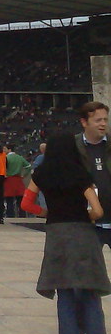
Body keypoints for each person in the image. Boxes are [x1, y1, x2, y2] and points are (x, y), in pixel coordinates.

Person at [22, 133, 111, 334]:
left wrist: (47, 213)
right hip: (82, 235)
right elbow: (98, 210)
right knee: (89, 295)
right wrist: (87, 215)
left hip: (57, 237)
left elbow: (26, 203)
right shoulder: (80, 173)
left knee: (65, 297)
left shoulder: (41, 173)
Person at [75, 101, 111, 251]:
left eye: (105, 120)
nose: (103, 124)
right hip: (88, 222)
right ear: (84, 122)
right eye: (98, 120)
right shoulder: (72, 145)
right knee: (88, 270)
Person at [4, 144, 28, 218]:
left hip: (9, 179)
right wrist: (24, 174)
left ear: (9, 149)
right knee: (20, 199)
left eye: (5, 149)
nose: (4, 151)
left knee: (9, 200)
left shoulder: (6, 158)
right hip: (18, 179)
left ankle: (10, 215)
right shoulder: (20, 158)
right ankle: (22, 215)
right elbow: (28, 166)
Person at [33, 141, 47, 212]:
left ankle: (44, 211)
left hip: (42, 179)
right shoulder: (53, 157)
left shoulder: (40, 157)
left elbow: (35, 167)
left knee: (42, 196)